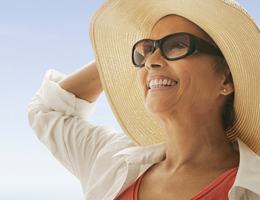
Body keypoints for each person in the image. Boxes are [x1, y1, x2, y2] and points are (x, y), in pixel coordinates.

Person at [28, 0, 260, 199]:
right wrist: (114, 59)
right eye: (146, 49)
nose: (150, 61)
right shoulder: (113, 160)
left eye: (178, 45)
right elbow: (47, 109)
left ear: (226, 78)